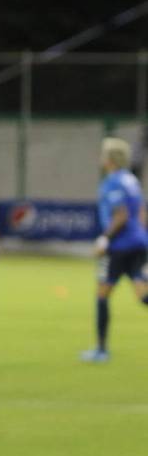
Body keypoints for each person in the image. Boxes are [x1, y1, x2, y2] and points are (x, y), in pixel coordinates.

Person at [84, 137, 148, 363]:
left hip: (120, 246)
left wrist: (104, 239)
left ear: (110, 159)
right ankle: (100, 349)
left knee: (102, 295)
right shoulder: (132, 180)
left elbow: (120, 215)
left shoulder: (112, 182)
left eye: (104, 154)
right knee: (142, 294)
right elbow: (141, 212)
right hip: (139, 242)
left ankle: (101, 350)